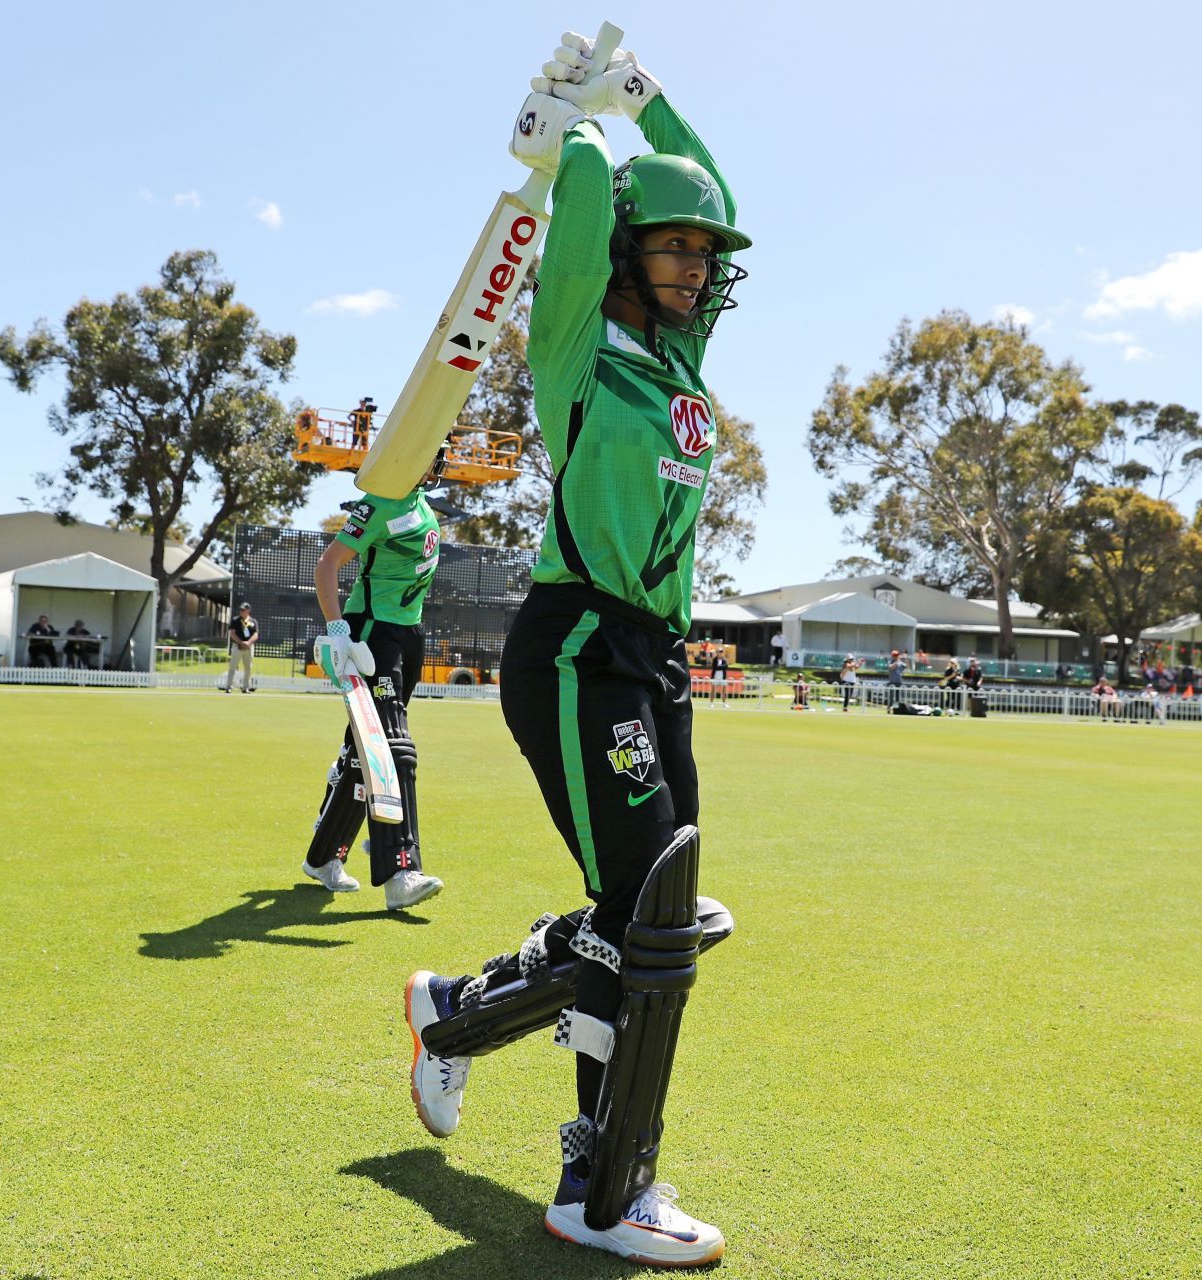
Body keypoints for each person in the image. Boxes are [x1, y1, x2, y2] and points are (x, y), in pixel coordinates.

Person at [398, 39, 747, 1266]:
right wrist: (580, 133)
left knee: (663, 910)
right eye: (674, 248)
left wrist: (641, 94)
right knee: (649, 913)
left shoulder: (685, 364)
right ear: (621, 256)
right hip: (578, 643)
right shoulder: (576, 351)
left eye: (704, 257)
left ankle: (457, 1014)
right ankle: (600, 1189)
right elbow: (602, 198)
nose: (696, 267)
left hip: (654, 654)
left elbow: (708, 183)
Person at [306, 449, 449, 908]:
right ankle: (400, 869)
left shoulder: (423, 503)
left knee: (361, 754)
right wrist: (337, 631)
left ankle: (324, 856)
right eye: (430, 452)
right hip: (373, 634)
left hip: (408, 634)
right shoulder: (379, 501)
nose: (437, 462)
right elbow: (327, 566)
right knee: (391, 748)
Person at [222, 602, 258, 693]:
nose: (241, 611)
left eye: (243, 610)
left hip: (248, 648)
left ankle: (245, 687)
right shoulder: (235, 620)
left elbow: (256, 634)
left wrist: (248, 642)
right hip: (237, 647)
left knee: (248, 668)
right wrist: (241, 642)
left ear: (248, 610)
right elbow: (232, 634)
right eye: (240, 610)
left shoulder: (253, 622)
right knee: (232, 667)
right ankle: (229, 686)